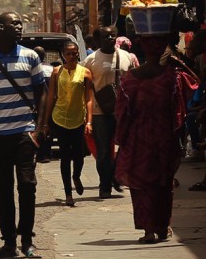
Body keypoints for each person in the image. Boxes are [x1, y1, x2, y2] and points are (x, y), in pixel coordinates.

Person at [0, 12, 46, 259]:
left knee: (27, 187)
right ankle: (8, 243)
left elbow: (42, 93)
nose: (19, 27)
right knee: (2, 191)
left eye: (19, 23)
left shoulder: (30, 56)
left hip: (24, 135)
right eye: (13, 23)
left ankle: (27, 241)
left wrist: (39, 128)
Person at [114, 34, 198, 244]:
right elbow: (194, 84)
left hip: (137, 139)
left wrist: (121, 139)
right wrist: (178, 60)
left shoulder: (129, 80)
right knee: (163, 184)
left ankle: (149, 230)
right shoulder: (172, 78)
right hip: (164, 137)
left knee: (141, 185)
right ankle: (162, 227)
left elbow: (122, 114)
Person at [84, 26, 134, 199]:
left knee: (125, 147)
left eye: (113, 35)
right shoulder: (90, 60)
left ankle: (114, 174)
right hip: (100, 112)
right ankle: (104, 185)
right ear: (98, 40)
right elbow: (87, 88)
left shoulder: (127, 57)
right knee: (104, 151)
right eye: (106, 36)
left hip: (123, 111)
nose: (111, 38)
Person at [42, 41, 94, 206]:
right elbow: (51, 97)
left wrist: (89, 121)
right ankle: (68, 193)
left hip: (78, 119)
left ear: (78, 53)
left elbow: (89, 98)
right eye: (68, 53)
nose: (72, 56)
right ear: (63, 55)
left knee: (79, 155)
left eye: (74, 53)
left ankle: (76, 176)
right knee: (65, 156)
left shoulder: (85, 73)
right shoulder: (57, 72)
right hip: (60, 118)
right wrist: (45, 121)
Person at [33, 46, 54, 163]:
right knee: (48, 128)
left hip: (35, 104)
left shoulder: (32, 69)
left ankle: (36, 151)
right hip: (50, 104)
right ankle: (45, 154)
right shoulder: (52, 69)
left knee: (36, 127)